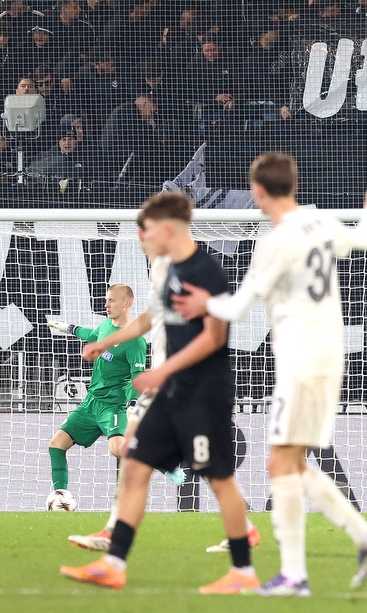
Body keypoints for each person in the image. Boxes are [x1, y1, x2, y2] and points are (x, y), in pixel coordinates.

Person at [170, 153, 367, 596]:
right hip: (329, 355)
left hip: (302, 357)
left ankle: (294, 575)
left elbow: (238, 307)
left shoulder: (275, 242)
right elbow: (365, 239)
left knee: (281, 462)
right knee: (292, 462)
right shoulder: (321, 222)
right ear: (292, 186)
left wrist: (203, 304)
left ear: (258, 193)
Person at [60, 192, 259, 594]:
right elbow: (154, 317)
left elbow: (215, 336)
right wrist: (106, 341)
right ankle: (114, 563)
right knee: (134, 465)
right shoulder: (168, 269)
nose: (141, 238)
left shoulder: (207, 272)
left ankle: (243, 571)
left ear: (168, 229)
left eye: (146, 230)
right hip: (171, 389)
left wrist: (162, 369)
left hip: (203, 391)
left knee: (219, 479)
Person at [45, 285, 152, 508]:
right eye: (106, 300)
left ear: (127, 303)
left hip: (113, 405)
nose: (106, 304)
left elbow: (138, 375)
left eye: (111, 300)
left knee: (116, 449)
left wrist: (132, 402)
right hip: (91, 402)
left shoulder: (135, 340)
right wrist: (68, 327)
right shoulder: (105, 325)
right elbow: (90, 335)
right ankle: (61, 496)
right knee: (57, 444)